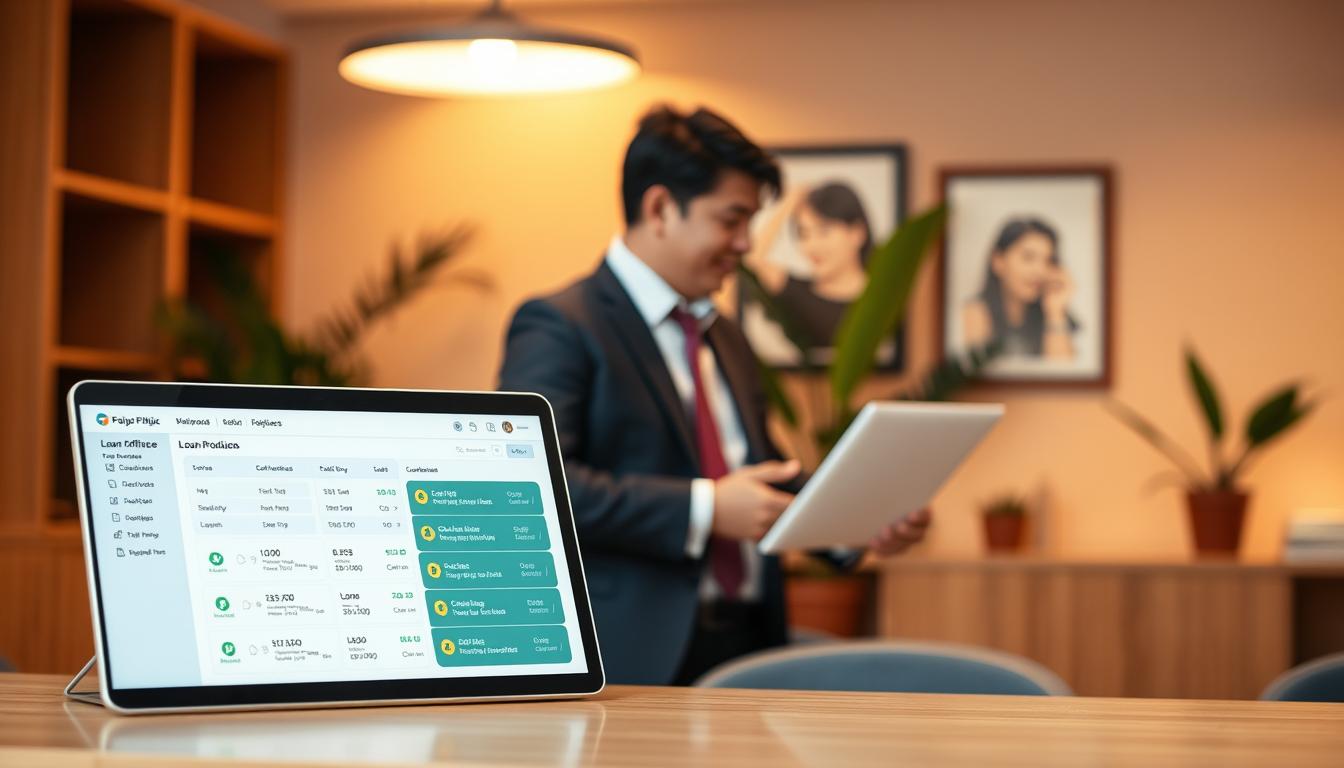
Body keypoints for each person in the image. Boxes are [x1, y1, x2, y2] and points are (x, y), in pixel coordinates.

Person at [497, 105, 930, 686]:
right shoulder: (559, 325)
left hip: (751, 644)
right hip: (632, 658)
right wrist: (704, 508)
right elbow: (532, 489)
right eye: (732, 220)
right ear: (659, 209)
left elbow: (760, 477)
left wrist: (856, 523)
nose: (746, 244)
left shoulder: (722, 334)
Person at [744, 181, 873, 353]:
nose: (811, 246)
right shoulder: (794, 290)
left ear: (857, 233)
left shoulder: (882, 296)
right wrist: (788, 204)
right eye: (804, 234)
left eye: (824, 231)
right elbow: (750, 258)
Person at [962, 218, 1078, 359]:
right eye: (1028, 258)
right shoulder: (975, 311)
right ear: (998, 261)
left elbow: (1065, 375)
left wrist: (1055, 312)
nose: (1040, 270)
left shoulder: (1050, 315)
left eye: (1048, 261)